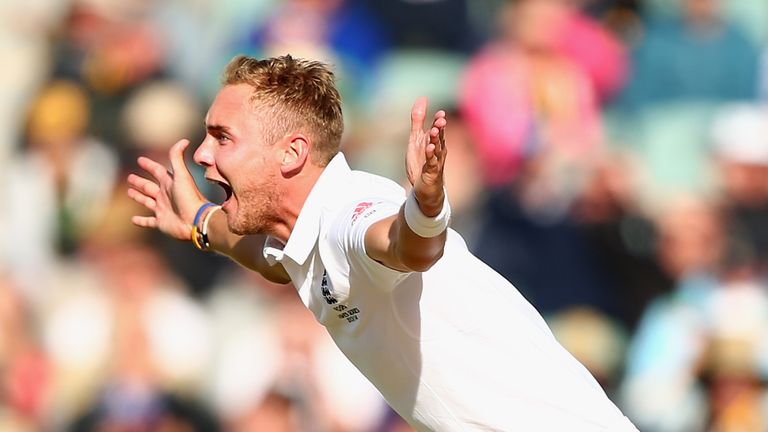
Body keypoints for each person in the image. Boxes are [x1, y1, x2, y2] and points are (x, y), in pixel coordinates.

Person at [127, 54, 637, 431]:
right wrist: (198, 220)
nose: (201, 153)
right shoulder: (302, 235)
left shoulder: (350, 211)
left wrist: (426, 206)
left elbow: (407, 247)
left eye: (223, 137)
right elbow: (271, 262)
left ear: (291, 153)